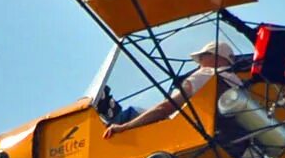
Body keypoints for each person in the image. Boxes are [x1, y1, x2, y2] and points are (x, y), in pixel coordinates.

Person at [102, 40, 243, 138]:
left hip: (179, 133)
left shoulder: (207, 74)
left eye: (202, 57)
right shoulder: (239, 86)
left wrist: (125, 127)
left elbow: (166, 107)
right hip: (217, 139)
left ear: (215, 57)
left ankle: (106, 120)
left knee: (130, 113)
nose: (199, 63)